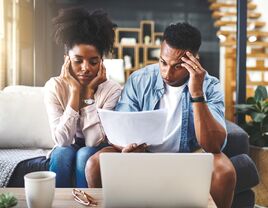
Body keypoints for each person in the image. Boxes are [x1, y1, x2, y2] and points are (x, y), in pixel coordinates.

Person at [85, 22, 236, 208]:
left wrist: (197, 93)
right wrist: (126, 147)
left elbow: (214, 146)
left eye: (177, 66)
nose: (167, 72)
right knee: (94, 164)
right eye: (163, 62)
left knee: (225, 171)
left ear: (194, 60)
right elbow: (120, 129)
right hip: (142, 153)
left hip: (188, 157)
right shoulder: (140, 79)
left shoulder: (210, 87)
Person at [44, 7, 121, 188]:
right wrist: (74, 92)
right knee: (62, 153)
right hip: (66, 146)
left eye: (93, 62)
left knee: (85, 154)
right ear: (66, 60)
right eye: (78, 61)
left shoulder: (112, 89)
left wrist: (88, 95)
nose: (85, 68)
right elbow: (62, 141)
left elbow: (94, 141)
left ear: (101, 62)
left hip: (95, 147)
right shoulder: (54, 87)